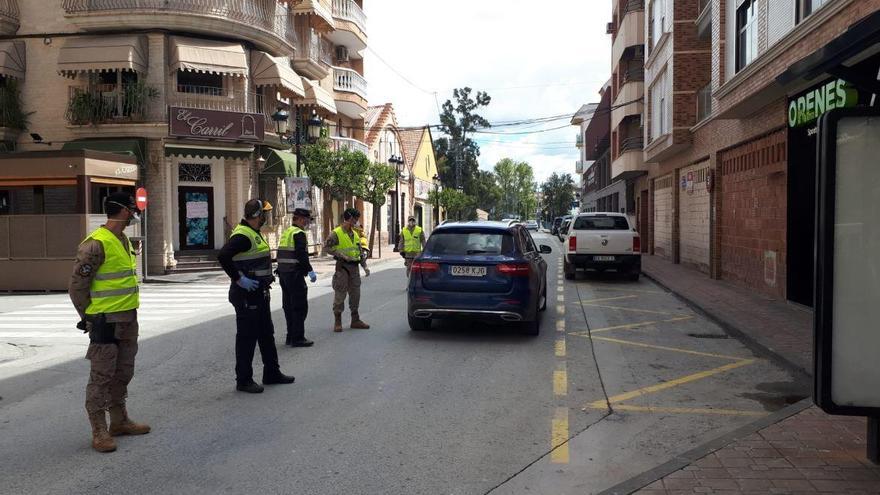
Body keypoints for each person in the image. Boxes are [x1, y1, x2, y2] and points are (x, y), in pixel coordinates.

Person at [69, 191, 150, 453]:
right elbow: (76, 287)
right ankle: (99, 430)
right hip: (105, 321)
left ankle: (119, 420)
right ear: (125, 211)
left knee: (124, 371)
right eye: (131, 209)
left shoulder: (123, 239)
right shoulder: (95, 244)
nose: (134, 214)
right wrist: (88, 318)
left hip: (128, 318)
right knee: (101, 377)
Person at [217, 199, 295, 394]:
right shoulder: (243, 236)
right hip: (246, 295)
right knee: (247, 337)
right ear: (256, 215)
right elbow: (223, 256)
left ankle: (271, 373)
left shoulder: (253, 234)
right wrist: (238, 279)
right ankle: (243, 380)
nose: (265, 218)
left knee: (266, 334)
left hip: (259, 293)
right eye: (263, 214)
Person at [325, 208, 370, 332]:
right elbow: (327, 247)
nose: (357, 221)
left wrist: (364, 266)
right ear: (350, 218)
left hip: (354, 269)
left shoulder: (355, 234)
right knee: (340, 294)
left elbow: (359, 252)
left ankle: (355, 320)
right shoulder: (336, 233)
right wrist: (339, 254)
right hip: (343, 268)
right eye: (355, 219)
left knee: (355, 295)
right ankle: (337, 321)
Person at [277, 208, 318, 348]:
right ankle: (298, 338)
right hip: (294, 275)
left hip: (284, 274)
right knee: (300, 306)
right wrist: (310, 271)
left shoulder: (287, 232)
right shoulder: (299, 233)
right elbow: (302, 255)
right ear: (300, 219)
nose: (307, 223)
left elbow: (281, 254)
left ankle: (290, 336)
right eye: (306, 220)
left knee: (288, 306)